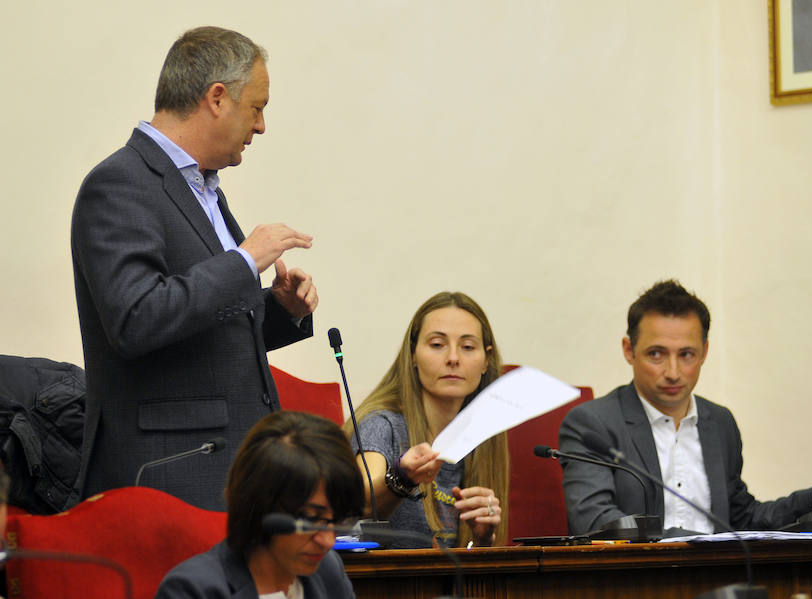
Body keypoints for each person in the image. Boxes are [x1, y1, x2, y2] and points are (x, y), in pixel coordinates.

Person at [71, 26, 319, 511]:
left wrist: (279, 309)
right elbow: (136, 319)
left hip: (232, 471)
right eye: (258, 107)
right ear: (218, 98)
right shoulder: (119, 184)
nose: (262, 126)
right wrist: (245, 259)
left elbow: (204, 329)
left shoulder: (203, 187)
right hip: (170, 475)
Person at [560, 280, 812, 536]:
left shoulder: (719, 422)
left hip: (717, 578)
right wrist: (695, 544)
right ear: (629, 350)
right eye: (656, 354)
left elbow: (742, 518)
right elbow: (595, 522)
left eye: (686, 354)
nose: (673, 371)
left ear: (705, 351)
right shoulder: (593, 424)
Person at [347, 291, 509, 548]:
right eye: (437, 345)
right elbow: (358, 503)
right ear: (412, 354)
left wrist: (483, 539)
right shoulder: (382, 424)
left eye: (467, 347)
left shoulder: (483, 435)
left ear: (486, 361)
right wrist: (402, 477)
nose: (453, 358)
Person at [155, 410, 364, 599]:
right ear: (259, 504)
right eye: (311, 519)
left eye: (337, 520)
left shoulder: (328, 570)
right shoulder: (192, 590)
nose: (327, 541)